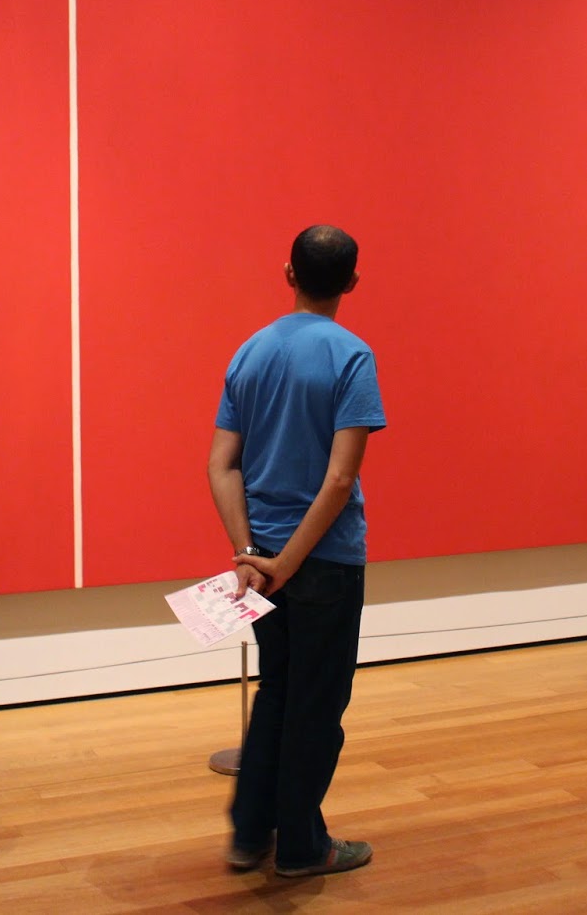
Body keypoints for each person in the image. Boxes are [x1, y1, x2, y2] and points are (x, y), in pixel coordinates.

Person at [207, 224, 387, 878]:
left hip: (262, 566)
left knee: (279, 693)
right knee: (316, 706)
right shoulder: (352, 357)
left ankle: (250, 835)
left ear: (289, 274)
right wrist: (289, 562)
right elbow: (339, 480)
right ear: (353, 282)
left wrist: (250, 551)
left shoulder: (250, 352)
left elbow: (221, 464)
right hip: (325, 563)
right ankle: (304, 848)